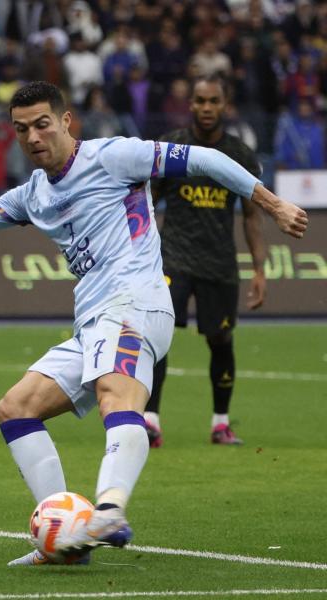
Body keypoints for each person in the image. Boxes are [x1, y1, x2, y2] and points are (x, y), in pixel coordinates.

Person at [0, 81, 307, 566]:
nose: (33, 137)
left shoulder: (115, 157)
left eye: (43, 124)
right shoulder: (33, 195)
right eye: (22, 130)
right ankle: (64, 539)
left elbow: (203, 160)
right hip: (93, 321)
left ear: (66, 121)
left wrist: (273, 204)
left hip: (135, 303)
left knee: (115, 394)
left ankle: (108, 510)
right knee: (16, 407)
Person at [143, 75, 267, 448]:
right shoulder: (173, 147)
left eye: (214, 101)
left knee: (221, 340)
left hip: (219, 265)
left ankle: (220, 423)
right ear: (191, 104)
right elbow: (147, 201)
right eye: (200, 101)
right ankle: (150, 421)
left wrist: (259, 269)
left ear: (225, 104)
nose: (207, 108)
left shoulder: (240, 155)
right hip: (173, 260)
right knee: (157, 341)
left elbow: (250, 216)